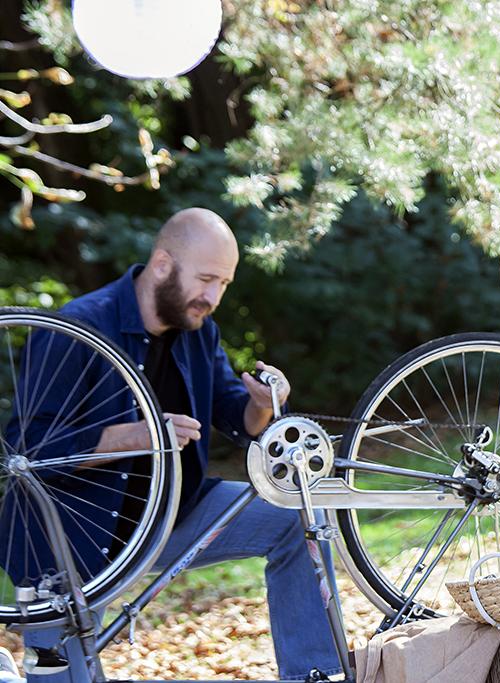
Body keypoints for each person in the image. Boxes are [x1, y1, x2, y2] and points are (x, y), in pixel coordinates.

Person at [16, 208, 343, 681]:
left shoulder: (198, 330)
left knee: (295, 513)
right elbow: (31, 451)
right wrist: (140, 435)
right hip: (79, 541)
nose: (213, 297)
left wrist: (261, 405)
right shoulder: (78, 328)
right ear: (164, 264)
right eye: (206, 279)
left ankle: (317, 673)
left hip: (174, 516)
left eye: (224, 284)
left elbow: (237, 416)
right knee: (59, 676)